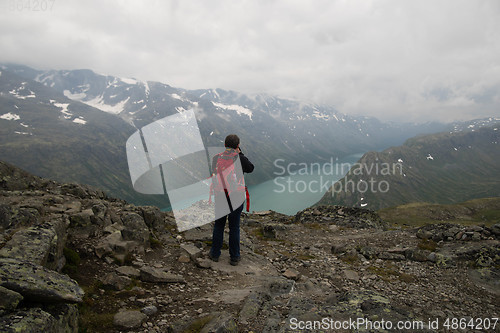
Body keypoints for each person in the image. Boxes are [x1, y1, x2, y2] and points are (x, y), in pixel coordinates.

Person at [209, 134, 254, 266]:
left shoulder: (216, 158)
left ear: (225, 145)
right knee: (234, 227)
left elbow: (213, 172)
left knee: (219, 225)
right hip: (236, 196)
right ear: (238, 145)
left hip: (220, 195)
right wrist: (241, 154)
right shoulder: (241, 158)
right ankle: (234, 257)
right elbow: (251, 168)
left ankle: (215, 254)